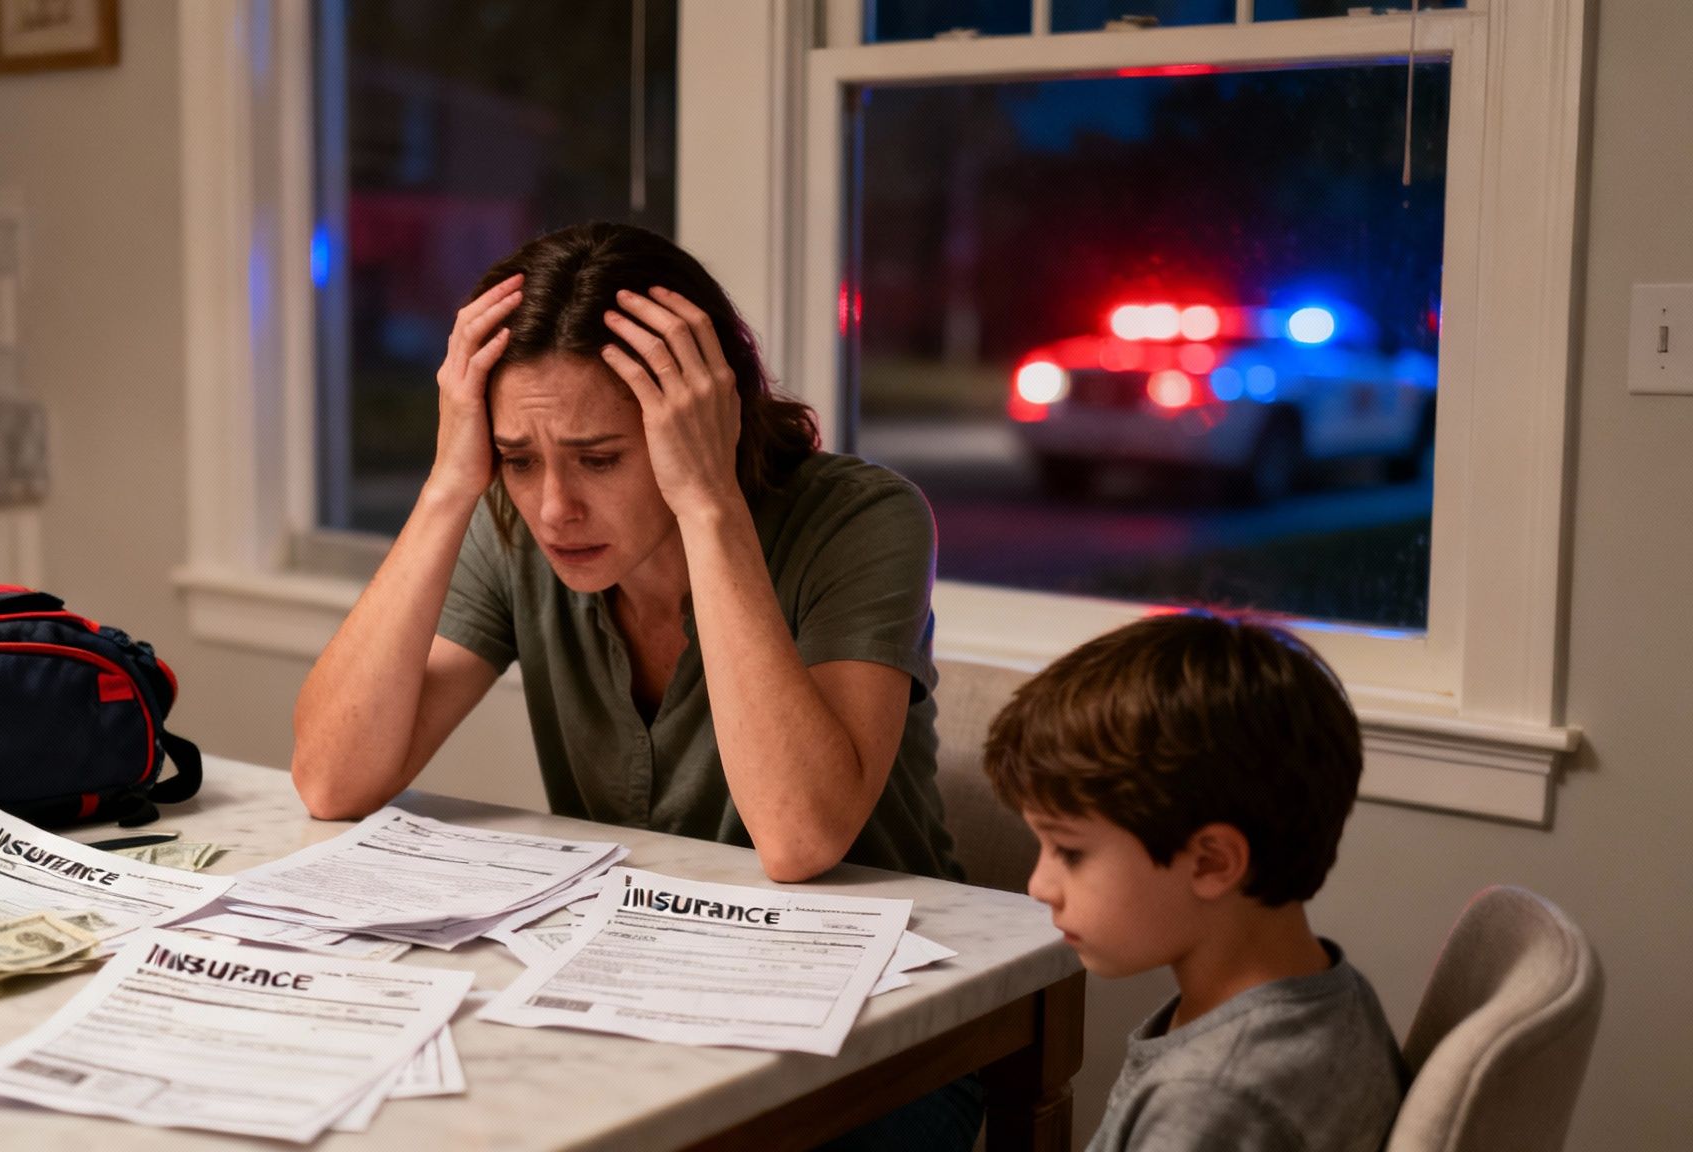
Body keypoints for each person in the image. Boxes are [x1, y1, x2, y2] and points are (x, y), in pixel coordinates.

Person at [293, 220, 976, 1149]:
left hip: (888, 1030)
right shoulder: (511, 522)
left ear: (702, 417)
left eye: (601, 458)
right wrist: (453, 483)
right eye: (519, 459)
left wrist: (707, 500)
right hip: (644, 989)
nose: (554, 508)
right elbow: (333, 777)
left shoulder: (862, 519)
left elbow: (800, 835)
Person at [982, 611, 1407, 1152]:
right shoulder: (1331, 995)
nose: (1039, 885)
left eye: (1070, 851)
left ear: (1211, 863)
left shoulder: (1215, 1101)